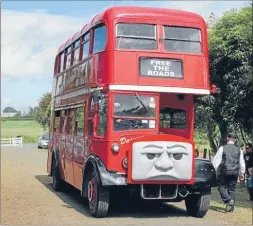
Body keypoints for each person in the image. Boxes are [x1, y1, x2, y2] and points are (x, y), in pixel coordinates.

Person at [212, 132, 245, 212]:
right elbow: (241, 162)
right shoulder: (239, 149)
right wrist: (241, 173)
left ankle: (228, 200)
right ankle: (231, 208)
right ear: (235, 140)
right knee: (232, 189)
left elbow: (217, 161)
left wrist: (215, 170)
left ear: (227, 138)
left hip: (224, 171)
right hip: (235, 172)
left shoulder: (222, 148)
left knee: (221, 187)